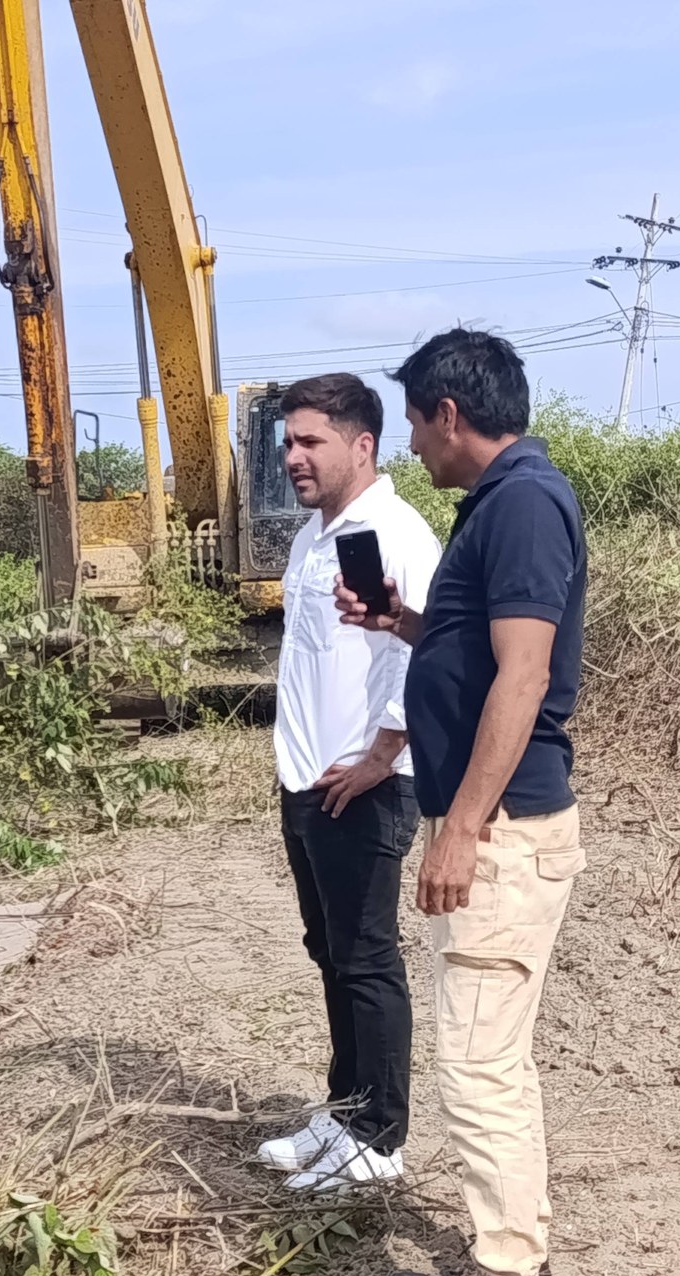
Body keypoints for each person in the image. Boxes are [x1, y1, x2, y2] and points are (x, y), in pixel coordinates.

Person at [335, 329, 587, 1276]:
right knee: (494, 1061)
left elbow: (522, 677)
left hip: (504, 831)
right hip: (502, 824)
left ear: (449, 413)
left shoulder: (522, 504)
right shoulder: (500, 504)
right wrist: (404, 623)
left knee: (479, 1068)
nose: (411, 444)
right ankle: (508, 1258)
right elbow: (478, 654)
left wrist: (462, 828)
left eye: (412, 422)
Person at [257, 372, 441, 1193]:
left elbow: (425, 655)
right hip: (307, 779)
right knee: (330, 952)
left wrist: (380, 756)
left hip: (364, 783)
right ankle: (344, 1113)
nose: (292, 457)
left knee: (367, 958)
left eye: (310, 442)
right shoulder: (311, 538)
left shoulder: (397, 534)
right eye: (287, 442)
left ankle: (380, 1138)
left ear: (362, 446)